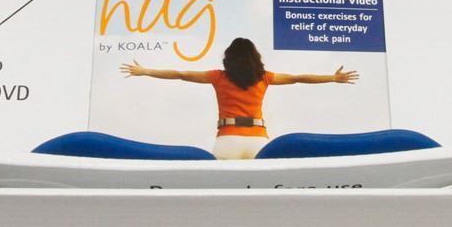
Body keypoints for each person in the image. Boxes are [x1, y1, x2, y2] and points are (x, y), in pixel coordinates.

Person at [120, 37, 358, 159]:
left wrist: (146, 71)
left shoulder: (218, 77)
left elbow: (180, 74)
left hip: (228, 139)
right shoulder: (265, 77)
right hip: (258, 140)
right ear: (255, 58)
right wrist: (332, 78)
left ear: (228, 58)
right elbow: (298, 78)